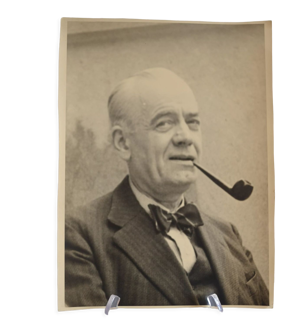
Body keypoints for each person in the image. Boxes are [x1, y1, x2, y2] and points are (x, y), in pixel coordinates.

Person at [65, 67, 269, 307]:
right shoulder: (78, 234)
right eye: (164, 123)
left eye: (193, 123)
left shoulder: (227, 233)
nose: (185, 137)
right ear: (123, 143)